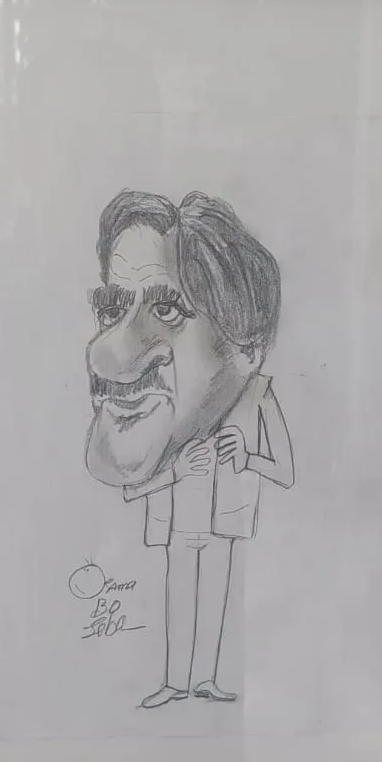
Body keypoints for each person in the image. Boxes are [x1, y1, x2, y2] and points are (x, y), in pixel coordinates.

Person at [84, 189, 294, 707]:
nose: (104, 351)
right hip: (182, 527)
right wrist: (178, 473)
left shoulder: (259, 400)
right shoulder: (167, 446)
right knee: (179, 595)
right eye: (112, 308)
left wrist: (246, 456)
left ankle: (205, 679)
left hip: (223, 525)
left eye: (166, 309)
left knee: (215, 596)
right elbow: (133, 490)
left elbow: (286, 472)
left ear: (247, 347)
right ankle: (176, 682)